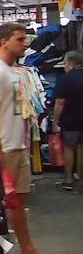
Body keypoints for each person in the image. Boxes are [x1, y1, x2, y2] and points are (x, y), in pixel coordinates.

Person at [0, 22, 61, 254]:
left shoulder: (11, 71)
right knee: (8, 202)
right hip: (7, 147)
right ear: (4, 40)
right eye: (19, 39)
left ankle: (27, 249)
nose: (25, 43)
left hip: (16, 145)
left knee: (19, 199)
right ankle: (22, 250)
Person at [52, 50, 83, 191]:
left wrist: (55, 121)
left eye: (65, 63)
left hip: (71, 120)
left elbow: (60, 103)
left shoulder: (65, 79)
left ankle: (69, 180)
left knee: (69, 148)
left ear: (71, 63)